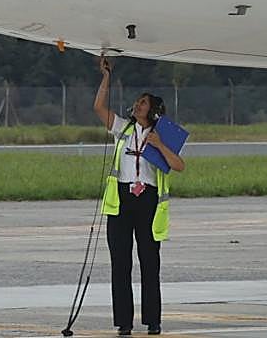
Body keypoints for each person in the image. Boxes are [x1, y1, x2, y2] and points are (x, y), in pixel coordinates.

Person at [93, 56, 185, 336]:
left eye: (143, 102)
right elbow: (99, 108)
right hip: (121, 201)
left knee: (149, 263)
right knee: (120, 263)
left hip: (148, 201)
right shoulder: (123, 128)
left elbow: (178, 165)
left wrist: (159, 145)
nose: (137, 105)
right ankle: (124, 322)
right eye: (137, 101)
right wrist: (106, 78)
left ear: (153, 110)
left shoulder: (161, 135)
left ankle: (153, 320)